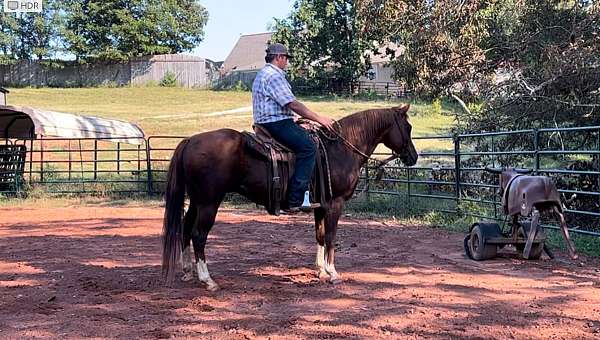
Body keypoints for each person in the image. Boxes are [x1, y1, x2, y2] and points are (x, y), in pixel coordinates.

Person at [252, 43, 335, 213]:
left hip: (268, 121)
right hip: (276, 123)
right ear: (278, 57)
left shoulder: (263, 74)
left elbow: (279, 104)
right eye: (285, 59)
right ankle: (295, 199)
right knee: (309, 147)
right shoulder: (274, 76)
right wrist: (320, 119)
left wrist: (297, 120)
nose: (286, 63)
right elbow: (292, 103)